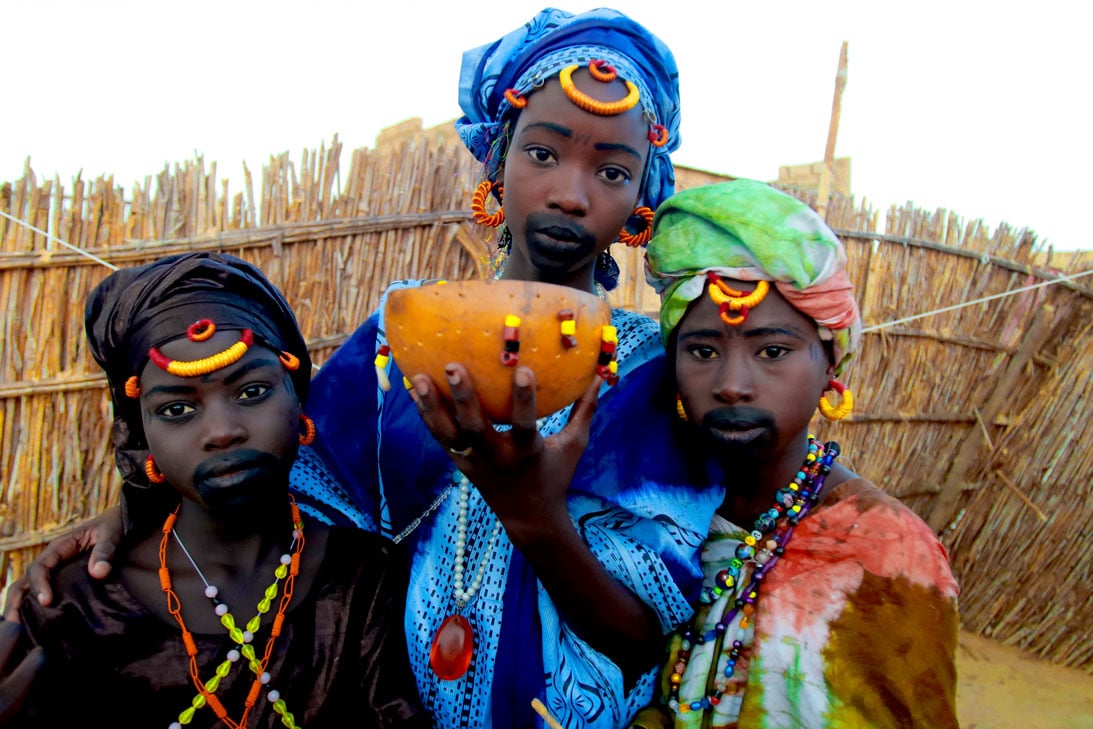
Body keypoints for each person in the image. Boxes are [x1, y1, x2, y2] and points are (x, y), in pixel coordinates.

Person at [10, 9, 721, 729]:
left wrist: (535, 516)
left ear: (640, 194)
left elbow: (642, 635)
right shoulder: (401, 334)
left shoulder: (636, 372)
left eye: (610, 170)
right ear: (497, 156)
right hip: (376, 701)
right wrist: (134, 512)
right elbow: (272, 474)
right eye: (542, 153)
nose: (570, 192)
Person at [4, 252, 430, 728]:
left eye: (252, 392)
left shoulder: (362, 578)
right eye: (176, 411)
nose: (223, 431)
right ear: (140, 435)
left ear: (298, 394)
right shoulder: (74, 608)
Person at [624, 179, 960, 728]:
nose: (733, 384)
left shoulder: (885, 552)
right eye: (703, 351)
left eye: (773, 351)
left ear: (830, 364)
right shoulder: (650, 512)